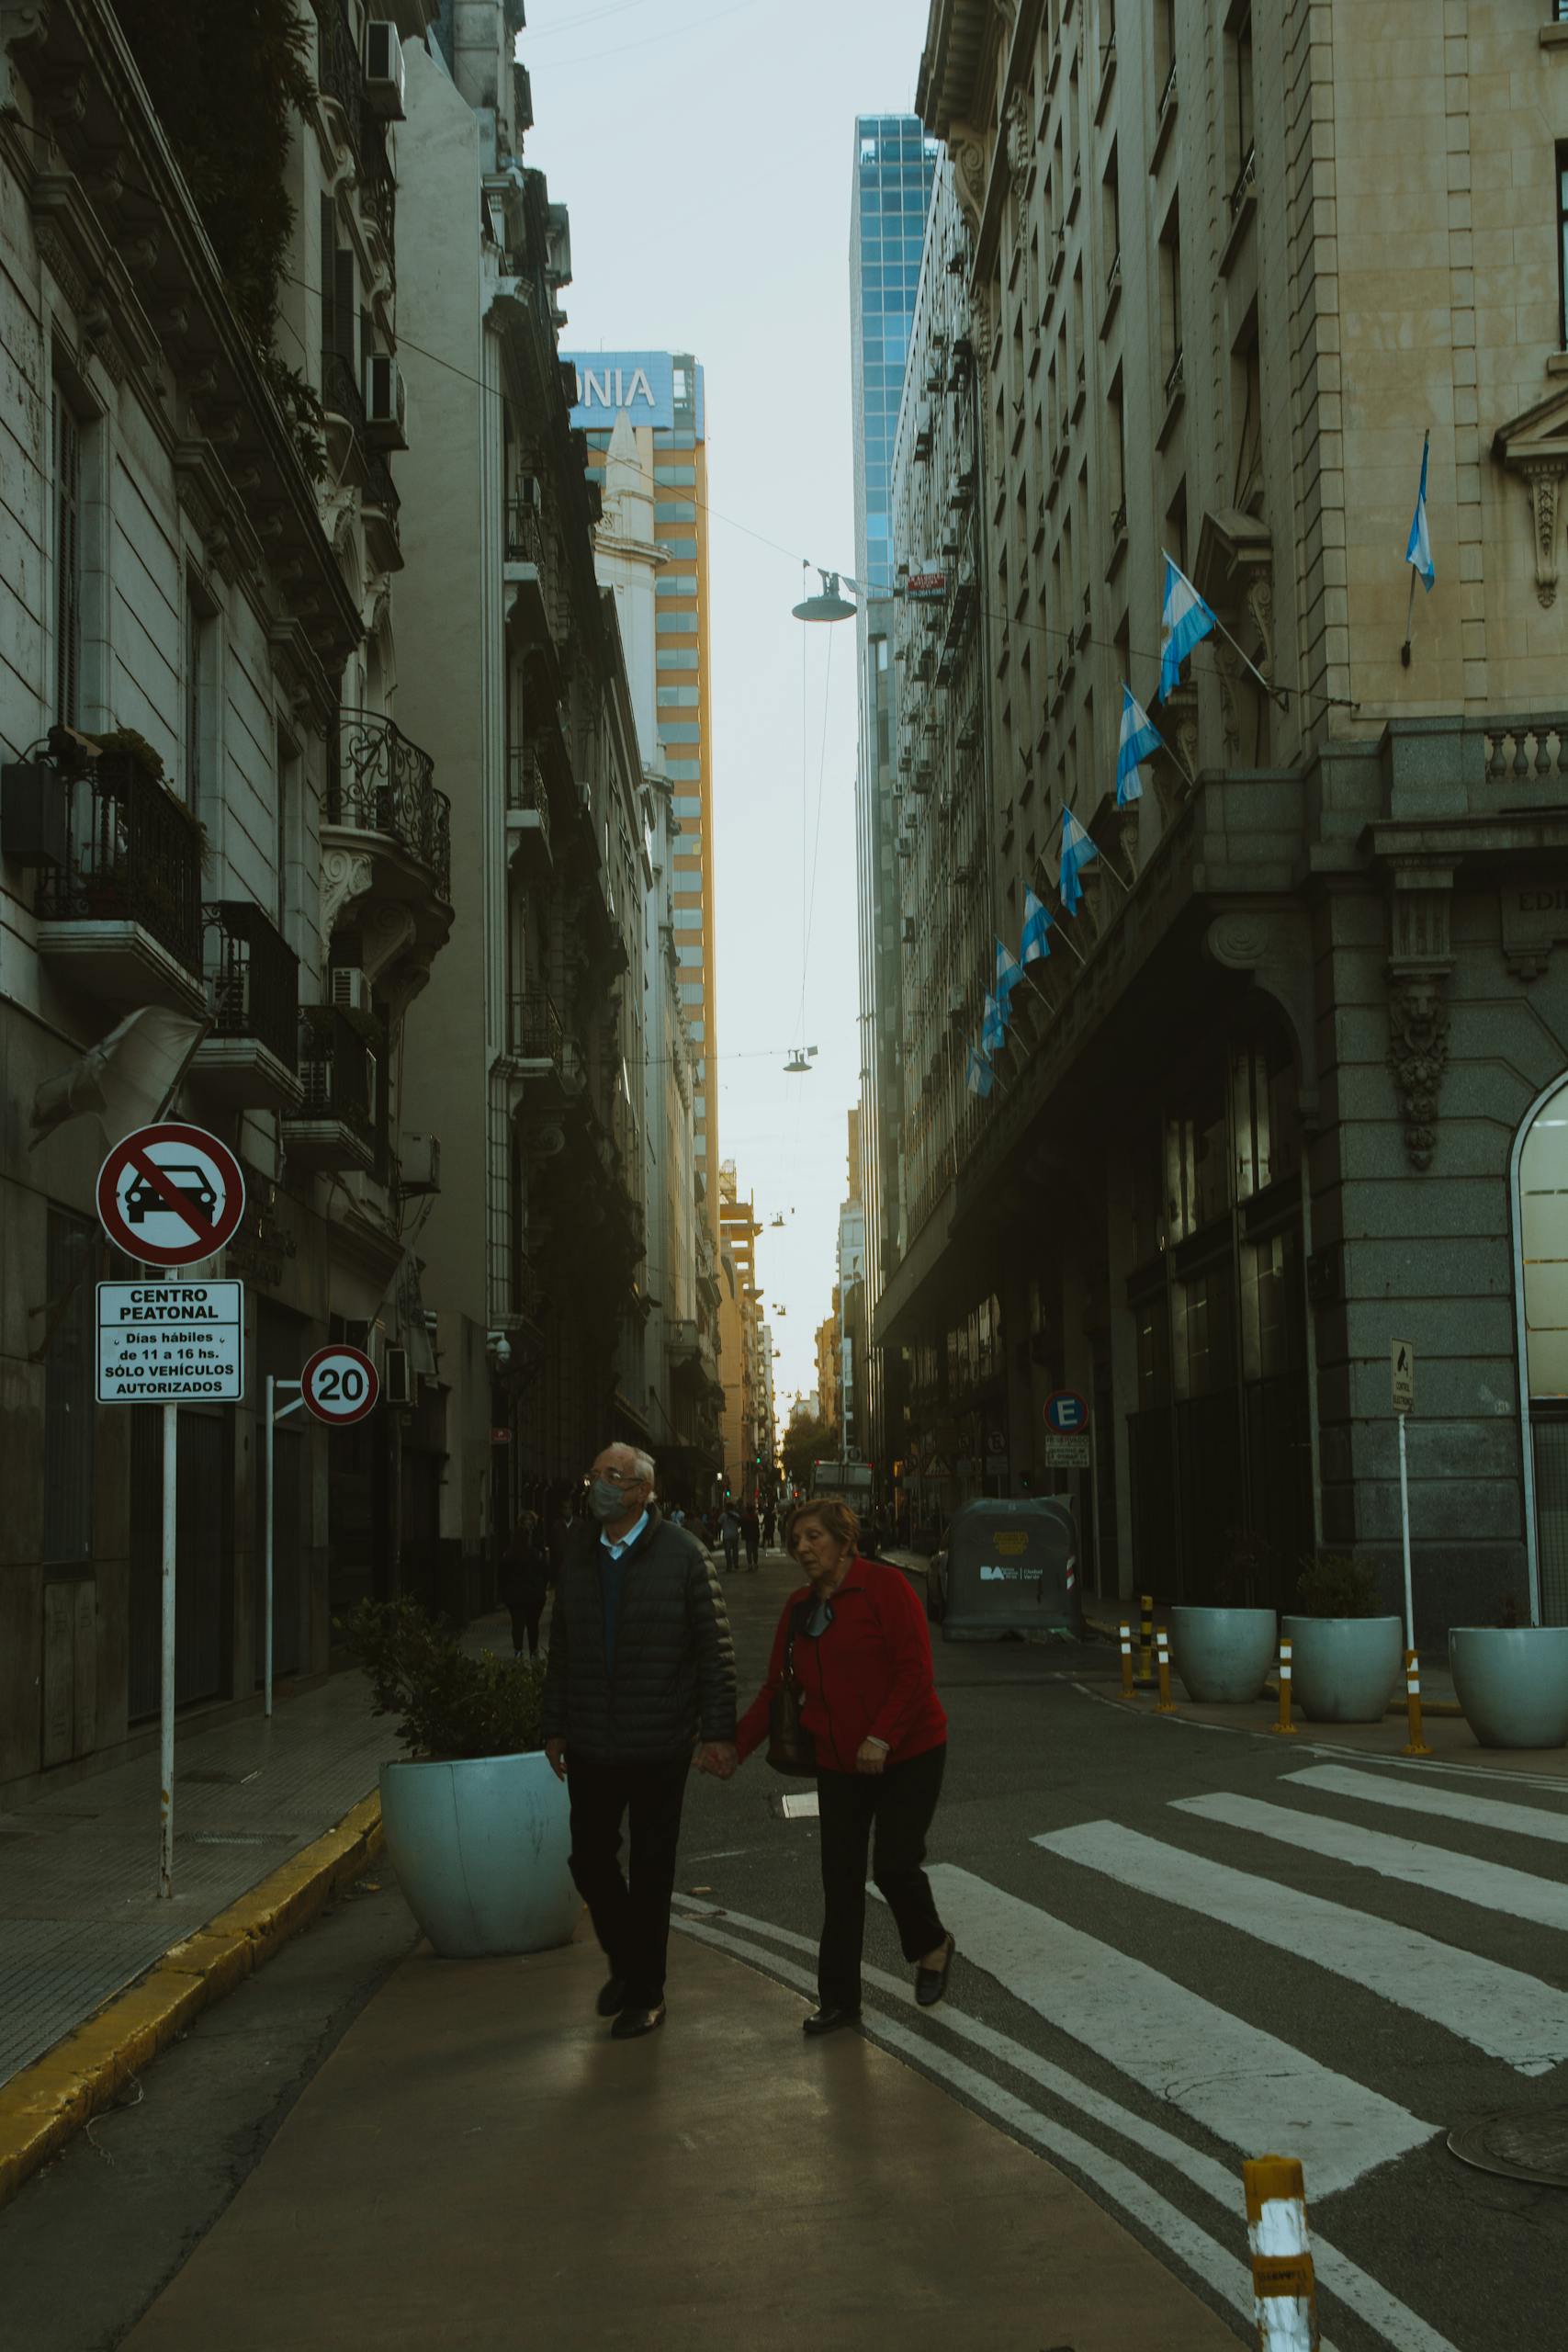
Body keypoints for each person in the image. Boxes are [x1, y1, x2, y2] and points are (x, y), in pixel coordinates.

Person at [733, 1498, 953, 2037]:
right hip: (838, 1763)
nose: (803, 1549)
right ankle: (838, 2001)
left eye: (814, 1537)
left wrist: (881, 1736)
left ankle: (931, 1945)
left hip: (909, 1751)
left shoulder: (886, 1590)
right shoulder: (798, 1610)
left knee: (897, 1864)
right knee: (841, 1880)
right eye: (795, 1541)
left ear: (844, 1540)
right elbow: (776, 1691)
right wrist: (731, 1748)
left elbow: (914, 1673)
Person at [542, 1445, 737, 2040]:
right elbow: (562, 1647)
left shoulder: (683, 1555)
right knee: (588, 1858)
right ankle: (629, 1963)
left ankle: (645, 1992)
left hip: (658, 1743)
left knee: (651, 1870)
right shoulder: (576, 1551)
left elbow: (714, 1652)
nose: (598, 1484)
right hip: (593, 1741)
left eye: (612, 1476)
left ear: (640, 1493)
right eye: (595, 1473)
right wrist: (553, 1724)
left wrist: (718, 1732)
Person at [501, 1510, 552, 1660]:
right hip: (531, 1593)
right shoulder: (536, 1550)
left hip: (521, 1593)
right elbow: (545, 1570)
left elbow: (504, 1572)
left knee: (520, 1624)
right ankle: (532, 1652)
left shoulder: (513, 1548)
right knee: (531, 1624)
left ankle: (520, 1652)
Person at [717, 1503, 742, 1577]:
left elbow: (718, 1524)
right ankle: (736, 1564)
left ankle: (729, 1566)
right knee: (735, 1550)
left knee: (727, 1551)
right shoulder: (736, 1515)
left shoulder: (723, 1515)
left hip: (726, 1535)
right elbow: (740, 1524)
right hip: (735, 1534)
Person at [740, 1503, 761, 1572]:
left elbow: (743, 1527)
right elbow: (757, 1527)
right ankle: (755, 1564)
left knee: (749, 1551)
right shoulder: (755, 1517)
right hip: (755, 1536)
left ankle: (750, 1565)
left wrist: (743, 1535)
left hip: (748, 1537)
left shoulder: (745, 1517)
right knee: (755, 1551)